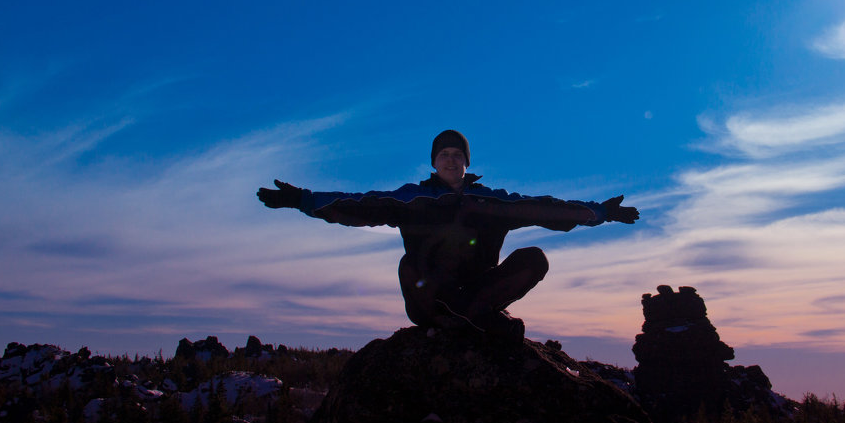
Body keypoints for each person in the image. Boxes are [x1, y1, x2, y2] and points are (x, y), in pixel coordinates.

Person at [257, 129, 638, 341]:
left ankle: (472, 312)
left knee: (534, 258)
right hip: (431, 300)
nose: (452, 160)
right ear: (434, 163)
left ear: (467, 163)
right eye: (445, 155)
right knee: (409, 265)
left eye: (458, 154)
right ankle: (458, 317)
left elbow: (542, 207)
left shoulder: (489, 201)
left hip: (477, 293)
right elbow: (358, 204)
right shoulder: (412, 198)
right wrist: (302, 200)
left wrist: (599, 213)